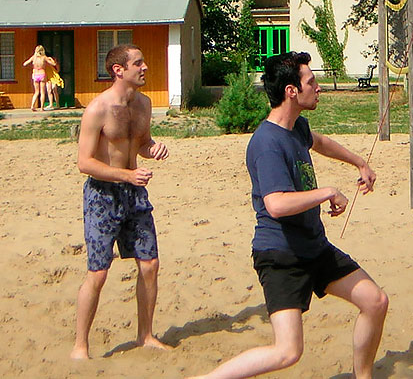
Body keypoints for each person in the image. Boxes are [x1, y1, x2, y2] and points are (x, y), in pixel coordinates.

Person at [191, 52, 388, 379]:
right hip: (281, 254)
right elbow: (277, 205)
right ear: (291, 91)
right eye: (311, 81)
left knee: (375, 302)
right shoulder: (267, 142)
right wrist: (326, 191)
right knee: (288, 352)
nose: (318, 87)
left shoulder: (296, 127)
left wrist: (359, 162)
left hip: (314, 246)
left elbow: (320, 142)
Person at [70, 44, 171, 359]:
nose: (144, 68)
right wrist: (126, 176)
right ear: (118, 70)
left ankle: (146, 335)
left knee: (150, 265)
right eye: (137, 63)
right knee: (98, 273)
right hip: (102, 195)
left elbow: (141, 143)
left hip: (135, 193)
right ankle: (80, 346)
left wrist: (152, 148)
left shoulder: (144, 104)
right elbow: (84, 163)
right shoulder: (98, 109)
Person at [22, 45, 56, 111]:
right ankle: (42, 107)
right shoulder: (44, 57)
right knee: (42, 92)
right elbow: (53, 64)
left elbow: (25, 64)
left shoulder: (33, 57)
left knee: (36, 92)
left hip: (35, 74)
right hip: (42, 74)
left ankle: (32, 106)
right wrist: (50, 59)